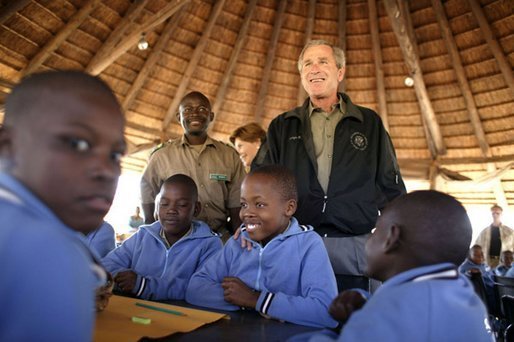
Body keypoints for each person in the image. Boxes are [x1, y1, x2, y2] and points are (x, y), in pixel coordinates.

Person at [257, 39, 406, 291]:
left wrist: (402, 232)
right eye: (307, 64)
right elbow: (262, 180)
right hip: (297, 241)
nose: (314, 68)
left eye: (322, 62)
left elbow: (389, 182)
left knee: (354, 318)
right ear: (302, 75)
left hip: (354, 244)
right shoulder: (283, 125)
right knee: (295, 317)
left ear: (340, 72)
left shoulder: (368, 123)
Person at [0, 71, 126, 341]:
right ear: (7, 147)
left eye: (115, 154)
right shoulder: (48, 249)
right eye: (77, 144)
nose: (106, 170)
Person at [304, 190, 494, 341]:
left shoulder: (395, 309)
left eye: (376, 230)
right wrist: (366, 309)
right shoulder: (462, 295)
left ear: (391, 238)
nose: (369, 238)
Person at [186, 165, 338, 328]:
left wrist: (255, 299)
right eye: (244, 204)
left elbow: (326, 311)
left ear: (289, 208)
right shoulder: (238, 242)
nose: (246, 213)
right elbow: (195, 288)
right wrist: (245, 302)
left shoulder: (308, 244)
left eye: (259, 205)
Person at [140, 91, 245, 239]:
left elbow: (237, 202)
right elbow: (147, 191)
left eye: (202, 109)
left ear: (211, 116)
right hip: (175, 239)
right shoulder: (161, 156)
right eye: (187, 110)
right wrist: (149, 231)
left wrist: (238, 238)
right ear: (179, 117)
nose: (195, 114)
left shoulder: (229, 156)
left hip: (218, 237)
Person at [103, 174, 222, 300]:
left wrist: (143, 285)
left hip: (181, 315)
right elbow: (106, 264)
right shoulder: (143, 236)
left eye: (181, 205)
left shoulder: (209, 244)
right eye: (164, 204)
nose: (171, 210)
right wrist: (124, 278)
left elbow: (200, 289)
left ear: (196, 209)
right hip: (134, 311)